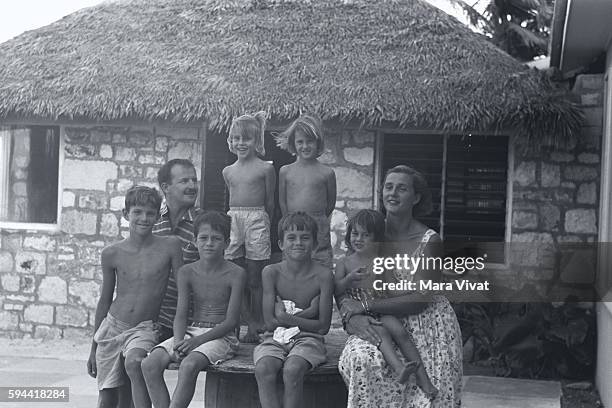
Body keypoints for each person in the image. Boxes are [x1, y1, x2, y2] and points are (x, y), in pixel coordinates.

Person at [338, 165, 463, 408]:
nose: (393, 193)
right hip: (379, 322)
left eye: (402, 188)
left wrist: (365, 305)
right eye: (388, 186)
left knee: (431, 397)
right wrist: (349, 317)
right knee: (362, 359)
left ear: (416, 198)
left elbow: (420, 299)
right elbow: (346, 278)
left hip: (428, 325)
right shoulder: (369, 232)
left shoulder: (430, 241)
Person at [87, 186, 183, 408]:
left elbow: (183, 290)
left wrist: (181, 333)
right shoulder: (112, 253)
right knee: (108, 399)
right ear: (125, 214)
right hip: (111, 327)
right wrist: (92, 347)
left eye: (150, 213)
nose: (144, 218)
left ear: (158, 215)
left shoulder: (170, 246)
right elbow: (104, 300)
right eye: (137, 212)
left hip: (144, 328)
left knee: (135, 362)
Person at [142, 211, 246, 408]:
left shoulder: (236, 274)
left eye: (216, 239)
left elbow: (231, 321)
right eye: (203, 238)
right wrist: (179, 341)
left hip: (222, 336)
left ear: (227, 242)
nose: (209, 243)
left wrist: (196, 342)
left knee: (189, 365)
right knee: (149, 364)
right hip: (190, 331)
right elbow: (181, 314)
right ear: (194, 240)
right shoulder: (186, 272)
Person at [334, 209, 437, 397]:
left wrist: (411, 289)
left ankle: (425, 382)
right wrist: (348, 279)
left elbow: (391, 288)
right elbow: (337, 290)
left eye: (366, 235)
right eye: (355, 233)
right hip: (360, 315)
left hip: (380, 308)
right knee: (381, 333)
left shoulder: (381, 262)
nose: (358, 239)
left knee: (400, 332)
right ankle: (400, 369)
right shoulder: (345, 263)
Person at [253, 212, 334, 408]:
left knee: (292, 369)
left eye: (305, 237)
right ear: (281, 243)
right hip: (274, 337)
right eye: (291, 237)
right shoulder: (271, 273)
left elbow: (323, 327)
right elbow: (270, 322)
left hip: (308, 339)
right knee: (264, 368)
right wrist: (303, 315)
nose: (298, 243)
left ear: (314, 244)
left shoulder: (323, 275)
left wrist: (284, 315)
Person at [223, 112, 276, 343]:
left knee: (256, 277)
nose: (240, 143)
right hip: (234, 219)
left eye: (246, 139)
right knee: (235, 273)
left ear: (257, 141)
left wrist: (266, 224)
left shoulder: (265, 169)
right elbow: (230, 200)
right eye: (236, 138)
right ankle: (240, 322)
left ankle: (257, 324)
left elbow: (271, 203)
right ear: (230, 141)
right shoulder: (228, 171)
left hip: (257, 218)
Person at [276, 114, 336, 268]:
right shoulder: (285, 171)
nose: (305, 146)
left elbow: (330, 204)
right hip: (293, 224)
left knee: (320, 263)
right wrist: (289, 221)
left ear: (318, 143)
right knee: (292, 263)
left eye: (310, 141)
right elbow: (282, 202)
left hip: (318, 226)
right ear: (293, 144)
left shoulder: (326, 173)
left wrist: (317, 219)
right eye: (300, 142)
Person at [154, 159, 202, 343]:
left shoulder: (204, 225)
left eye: (194, 180)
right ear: (166, 187)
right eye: (184, 181)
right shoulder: (151, 220)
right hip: (153, 320)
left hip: (190, 323)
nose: (192, 186)